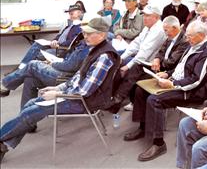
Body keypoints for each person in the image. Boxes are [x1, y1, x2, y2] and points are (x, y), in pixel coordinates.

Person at [0, 17, 119, 163]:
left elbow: (84, 91)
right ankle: (3, 144)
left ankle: (1, 142)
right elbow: (78, 77)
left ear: (101, 35)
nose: (85, 36)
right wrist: (59, 87)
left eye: (89, 33)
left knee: (30, 111)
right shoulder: (96, 49)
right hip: (74, 95)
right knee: (30, 104)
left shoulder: (104, 56)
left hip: (83, 102)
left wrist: (57, 94)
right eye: (85, 33)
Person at [123, 21, 207, 162]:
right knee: (140, 90)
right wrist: (167, 74)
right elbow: (181, 67)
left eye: (190, 36)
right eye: (187, 36)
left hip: (190, 91)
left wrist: (172, 84)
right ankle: (143, 127)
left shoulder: (206, 52)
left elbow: (196, 80)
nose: (187, 39)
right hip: (176, 82)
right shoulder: (193, 46)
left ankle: (159, 143)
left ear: (201, 35)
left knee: (155, 100)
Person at [1, 34, 90, 108]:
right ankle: (25, 118)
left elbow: (70, 66)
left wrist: (52, 64)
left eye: (87, 32)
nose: (84, 34)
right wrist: (54, 61)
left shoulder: (86, 47)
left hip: (66, 77)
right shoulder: (84, 43)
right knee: (30, 79)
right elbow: (70, 61)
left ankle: (5, 84)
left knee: (33, 64)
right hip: (65, 68)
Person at [112, 5, 167, 106]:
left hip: (152, 64)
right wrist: (121, 58)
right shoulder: (148, 27)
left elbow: (144, 53)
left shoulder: (158, 30)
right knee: (116, 61)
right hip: (143, 59)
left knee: (131, 70)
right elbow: (136, 43)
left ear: (156, 17)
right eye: (144, 15)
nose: (144, 18)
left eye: (148, 16)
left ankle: (117, 100)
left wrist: (127, 67)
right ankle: (113, 96)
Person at [16, 3, 83, 65]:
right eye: (69, 13)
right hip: (56, 45)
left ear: (79, 13)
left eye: (72, 13)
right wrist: (55, 40)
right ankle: (22, 67)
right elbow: (59, 36)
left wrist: (58, 44)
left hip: (61, 50)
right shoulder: (69, 26)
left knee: (35, 53)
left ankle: (22, 67)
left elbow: (71, 42)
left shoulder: (79, 27)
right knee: (37, 44)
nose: (70, 14)